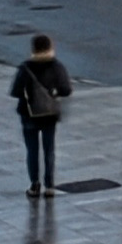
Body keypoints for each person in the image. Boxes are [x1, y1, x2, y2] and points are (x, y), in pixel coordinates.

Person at [11, 34, 72, 198]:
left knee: (32, 150)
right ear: (50, 47)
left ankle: (34, 184)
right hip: (49, 114)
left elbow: (15, 91)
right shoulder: (56, 66)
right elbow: (66, 90)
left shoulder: (25, 68)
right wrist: (53, 91)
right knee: (49, 149)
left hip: (29, 114)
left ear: (33, 49)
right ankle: (50, 185)